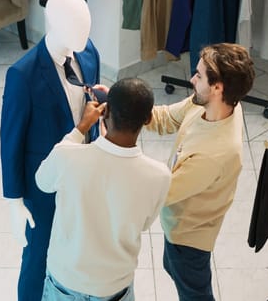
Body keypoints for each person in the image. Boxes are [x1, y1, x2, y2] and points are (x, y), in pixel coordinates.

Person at [0, 0, 101, 301]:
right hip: (44, 183)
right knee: (37, 258)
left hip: (85, 176)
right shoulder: (22, 75)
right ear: (53, 24)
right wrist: (14, 201)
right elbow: (11, 141)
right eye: (76, 25)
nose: (83, 34)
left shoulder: (88, 53)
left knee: (81, 249)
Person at [35, 78, 171, 301]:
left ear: (105, 113)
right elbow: (145, 223)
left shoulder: (67, 156)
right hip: (114, 286)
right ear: (148, 119)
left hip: (66, 281)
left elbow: (42, 181)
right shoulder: (160, 175)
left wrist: (80, 129)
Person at [146, 43, 255, 300]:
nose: (192, 79)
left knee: (195, 293)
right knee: (174, 271)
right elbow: (167, 118)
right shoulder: (214, 105)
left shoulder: (215, 154)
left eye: (199, 75)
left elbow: (161, 193)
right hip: (180, 224)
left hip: (189, 239)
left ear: (218, 88)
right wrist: (125, 107)